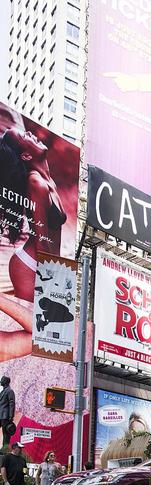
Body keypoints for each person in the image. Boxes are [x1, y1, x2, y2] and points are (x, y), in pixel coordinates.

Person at [0, 124, 68, 361]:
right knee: (45, 334)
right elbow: (44, 242)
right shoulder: (36, 183)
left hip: (42, 261)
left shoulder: (45, 178)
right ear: (26, 156)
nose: (31, 133)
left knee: (48, 335)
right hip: (31, 264)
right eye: (24, 136)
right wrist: (58, 287)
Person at [0, 375, 16, 445]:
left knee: (6, 434)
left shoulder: (10, 391)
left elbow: (12, 403)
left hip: (5, 416)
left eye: (2, 380)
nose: (0, 381)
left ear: (5, 381)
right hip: (0, 415)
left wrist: (11, 416)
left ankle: (4, 450)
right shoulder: (2, 391)